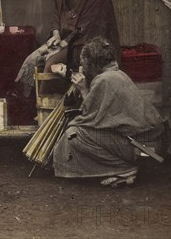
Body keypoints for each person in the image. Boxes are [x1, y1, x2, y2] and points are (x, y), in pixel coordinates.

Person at [53, 37, 164, 187]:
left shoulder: (104, 80)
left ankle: (124, 169)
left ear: (91, 63)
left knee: (74, 134)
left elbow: (87, 117)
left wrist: (84, 89)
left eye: (83, 62)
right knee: (81, 131)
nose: (82, 66)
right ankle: (122, 167)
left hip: (143, 149)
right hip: (150, 146)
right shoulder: (117, 74)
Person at [16, 0, 121, 96]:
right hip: (64, 39)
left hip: (85, 42)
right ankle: (36, 104)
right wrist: (56, 33)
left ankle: (51, 107)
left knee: (50, 64)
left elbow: (88, 25)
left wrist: (64, 43)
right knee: (33, 59)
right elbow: (57, 14)